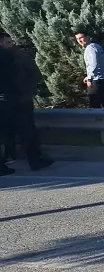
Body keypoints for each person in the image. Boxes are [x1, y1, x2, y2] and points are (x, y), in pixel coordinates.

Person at [0, 29, 52, 174]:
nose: (10, 44)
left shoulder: (15, 56)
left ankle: (5, 162)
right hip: (17, 100)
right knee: (26, 131)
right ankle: (35, 160)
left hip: (10, 100)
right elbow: (13, 80)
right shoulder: (10, 57)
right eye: (7, 42)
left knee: (6, 133)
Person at [74, 30, 104, 108]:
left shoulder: (90, 48)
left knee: (94, 106)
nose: (79, 40)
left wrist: (90, 78)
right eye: (77, 39)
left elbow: (94, 63)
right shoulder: (96, 46)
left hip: (98, 81)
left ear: (88, 37)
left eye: (81, 37)